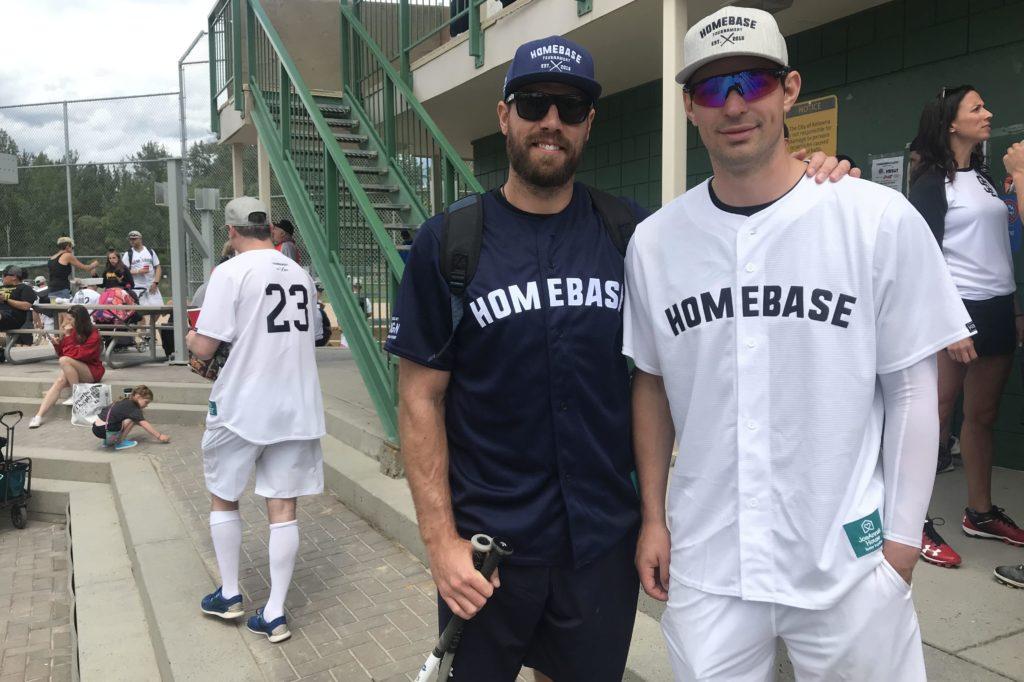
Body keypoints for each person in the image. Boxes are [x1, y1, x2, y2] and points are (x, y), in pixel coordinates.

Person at [385, 33, 856, 682]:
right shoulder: (452, 244)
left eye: (571, 108)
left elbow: (742, 242)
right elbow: (419, 397)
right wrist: (440, 543)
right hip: (490, 546)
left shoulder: (635, 235)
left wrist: (819, 182)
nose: (551, 121)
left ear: (589, 124)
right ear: (504, 116)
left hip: (599, 545)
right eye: (534, 103)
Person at [624, 7, 973, 681]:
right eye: (710, 88)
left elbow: (910, 385)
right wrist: (653, 520)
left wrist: (899, 548)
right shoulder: (655, 244)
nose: (733, 105)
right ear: (689, 107)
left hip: (845, 560)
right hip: (709, 562)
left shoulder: (873, 218)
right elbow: (652, 382)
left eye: (751, 83)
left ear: (789, 91)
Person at [188, 197, 325, 644]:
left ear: (230, 232)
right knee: (283, 508)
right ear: (270, 228)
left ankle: (229, 595)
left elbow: (205, 348)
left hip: (244, 403)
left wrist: (191, 336)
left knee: (224, 496)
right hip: (298, 404)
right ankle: (275, 612)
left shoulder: (230, 271)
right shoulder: (300, 273)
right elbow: (317, 333)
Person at [908, 86, 1024, 569]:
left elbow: (999, 244)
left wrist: (1014, 307)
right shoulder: (931, 182)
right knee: (935, 413)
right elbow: (922, 257)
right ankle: (910, 520)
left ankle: (979, 512)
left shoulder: (984, 177)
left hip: (998, 308)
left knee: (981, 415)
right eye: (977, 108)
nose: (988, 113)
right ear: (951, 123)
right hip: (955, 311)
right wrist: (949, 321)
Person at [29, 305, 105, 429]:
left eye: (70, 319)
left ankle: (76, 394)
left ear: (79, 319)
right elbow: (64, 354)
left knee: (64, 361)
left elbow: (81, 356)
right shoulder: (72, 332)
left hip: (92, 370)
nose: (67, 322)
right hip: (74, 368)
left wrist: (68, 337)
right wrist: (57, 345)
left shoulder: (93, 333)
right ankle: (38, 416)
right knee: (59, 381)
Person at [92, 385, 170, 450]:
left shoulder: (124, 401)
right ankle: (120, 442)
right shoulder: (134, 407)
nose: (146, 405)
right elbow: (144, 424)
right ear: (138, 397)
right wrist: (159, 436)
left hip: (96, 428)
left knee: (115, 420)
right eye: (146, 402)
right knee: (133, 420)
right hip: (106, 429)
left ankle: (107, 442)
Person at [122, 230, 162, 306]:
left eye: (134, 239)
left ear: (140, 239)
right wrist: (139, 271)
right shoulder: (128, 254)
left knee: (158, 308)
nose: (132, 241)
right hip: (137, 286)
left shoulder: (150, 251)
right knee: (140, 310)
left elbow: (158, 267)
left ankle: (152, 319)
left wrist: (155, 282)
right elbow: (124, 271)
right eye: (130, 239)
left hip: (151, 285)